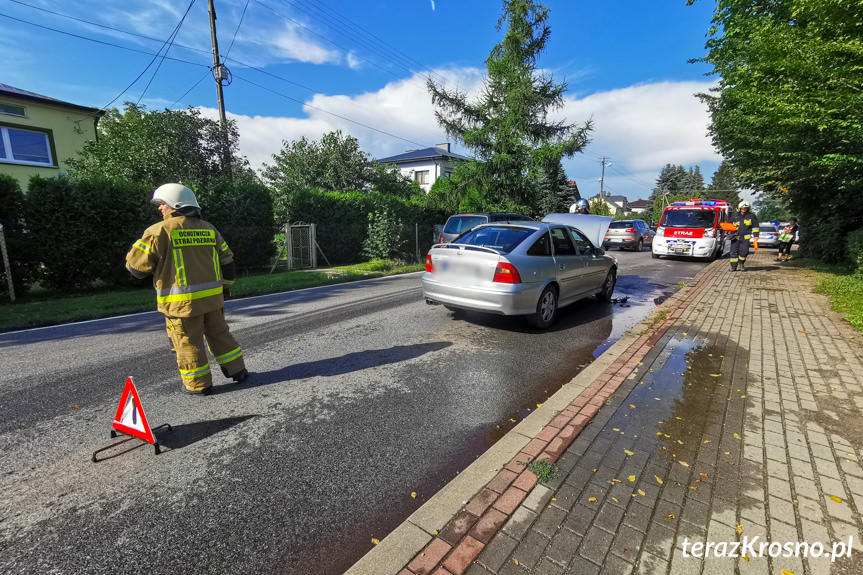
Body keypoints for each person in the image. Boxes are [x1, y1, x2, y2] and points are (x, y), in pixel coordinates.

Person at [126, 183, 249, 396]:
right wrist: (225, 288)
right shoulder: (209, 229)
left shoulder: (158, 231)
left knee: (187, 342)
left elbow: (135, 268)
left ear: (175, 204)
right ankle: (238, 371)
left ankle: (198, 385)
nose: (159, 208)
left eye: (162, 204)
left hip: (181, 305)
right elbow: (228, 262)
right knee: (220, 334)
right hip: (213, 300)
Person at [728, 200, 760, 271]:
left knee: (744, 252)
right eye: (742, 208)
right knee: (733, 252)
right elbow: (728, 224)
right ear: (740, 208)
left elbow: (755, 227)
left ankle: (741, 263)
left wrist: (756, 236)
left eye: (745, 208)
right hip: (735, 237)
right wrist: (731, 228)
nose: (744, 209)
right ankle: (733, 266)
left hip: (745, 237)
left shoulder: (751, 216)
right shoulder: (735, 216)